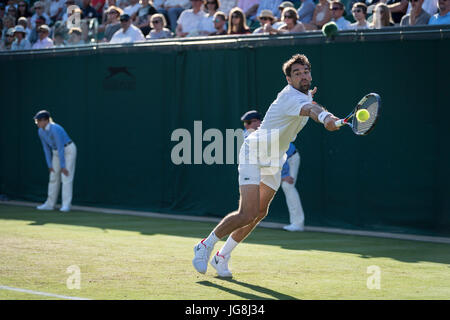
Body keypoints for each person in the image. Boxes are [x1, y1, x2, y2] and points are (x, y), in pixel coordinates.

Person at [192, 53, 340, 277]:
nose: (303, 76)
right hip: (255, 152)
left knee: (259, 212)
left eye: (305, 72)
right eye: (297, 74)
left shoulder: (306, 93)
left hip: (275, 158)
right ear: (289, 80)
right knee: (246, 213)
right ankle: (205, 244)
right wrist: (326, 118)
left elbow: (313, 104)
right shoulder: (290, 97)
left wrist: (327, 115)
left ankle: (222, 257)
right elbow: (312, 110)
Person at [34, 110, 77, 213]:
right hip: (56, 152)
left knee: (66, 177)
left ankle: (66, 205)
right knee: (53, 177)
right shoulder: (40, 131)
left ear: (46, 121)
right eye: (37, 121)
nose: (37, 123)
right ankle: (49, 204)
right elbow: (46, 148)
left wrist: (63, 166)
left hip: (68, 150)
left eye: (39, 120)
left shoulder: (55, 129)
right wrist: (49, 164)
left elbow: (60, 147)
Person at [280, 142, 305, 231]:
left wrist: (284, 175)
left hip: (290, 158)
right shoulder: (247, 135)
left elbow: (280, 155)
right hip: (277, 161)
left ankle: (298, 224)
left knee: (287, 185)